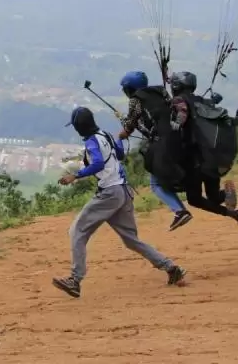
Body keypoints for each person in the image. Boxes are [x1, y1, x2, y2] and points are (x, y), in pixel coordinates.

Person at [53, 106, 186, 298]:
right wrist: (120, 139)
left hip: (108, 194)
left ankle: (75, 280)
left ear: (79, 128)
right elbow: (120, 154)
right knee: (131, 240)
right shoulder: (104, 134)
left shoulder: (91, 142)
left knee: (77, 231)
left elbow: (97, 163)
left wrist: (76, 176)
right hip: (123, 191)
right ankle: (171, 268)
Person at [168, 71, 238, 234]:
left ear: (176, 86)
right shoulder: (203, 102)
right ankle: (232, 204)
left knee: (194, 199)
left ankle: (234, 214)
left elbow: (182, 114)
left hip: (193, 160)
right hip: (210, 157)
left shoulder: (179, 101)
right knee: (213, 196)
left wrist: (174, 125)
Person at [116, 70, 192, 230]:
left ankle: (180, 210)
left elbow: (131, 124)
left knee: (156, 183)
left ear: (130, 89)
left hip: (161, 143)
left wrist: (123, 132)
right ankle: (182, 208)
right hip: (177, 134)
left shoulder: (135, 100)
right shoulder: (161, 90)